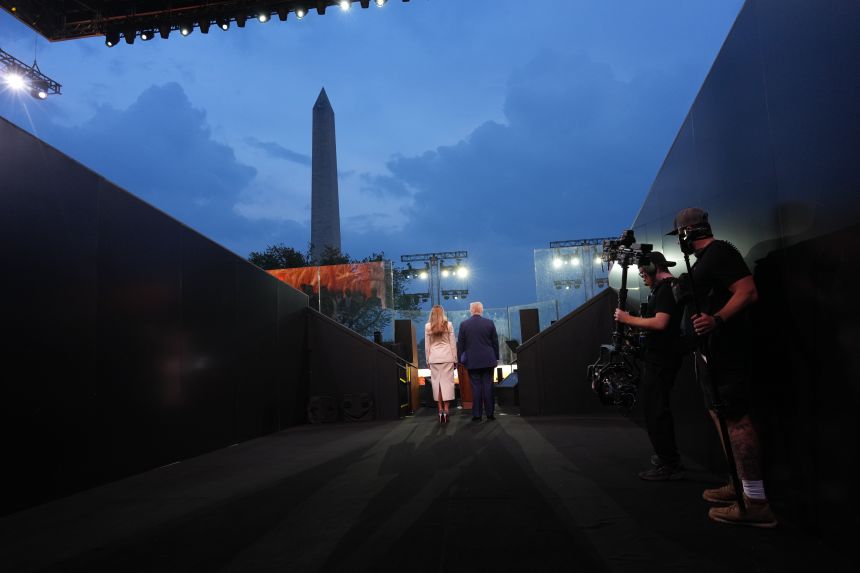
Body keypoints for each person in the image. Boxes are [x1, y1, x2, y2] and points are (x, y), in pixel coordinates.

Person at [669, 207, 777, 528]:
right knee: (719, 413)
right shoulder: (705, 261)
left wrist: (717, 320)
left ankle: (756, 501)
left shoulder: (720, 252)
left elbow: (747, 291)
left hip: (727, 351)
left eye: (680, 236)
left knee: (734, 417)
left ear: (688, 232)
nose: (680, 243)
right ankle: (741, 485)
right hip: (711, 353)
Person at [614, 251, 686, 481]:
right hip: (659, 357)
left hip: (662, 359)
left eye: (644, 272)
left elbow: (661, 322)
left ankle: (669, 463)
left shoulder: (665, 289)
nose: (642, 276)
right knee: (655, 409)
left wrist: (628, 320)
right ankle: (666, 457)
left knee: (657, 411)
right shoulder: (664, 288)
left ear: (654, 269)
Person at [457, 301, 500, 422]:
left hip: (473, 362)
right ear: (481, 310)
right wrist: (495, 357)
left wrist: (461, 360)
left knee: (476, 388)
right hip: (488, 360)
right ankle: (490, 414)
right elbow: (495, 342)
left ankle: (477, 415)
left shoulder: (464, 324)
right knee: (488, 386)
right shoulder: (489, 323)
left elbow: (461, 345)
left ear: (471, 310)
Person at [424, 305, 457, 424]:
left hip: (434, 359)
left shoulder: (428, 326)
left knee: (437, 385)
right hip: (447, 358)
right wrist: (455, 359)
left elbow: (427, 346)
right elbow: (452, 343)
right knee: (447, 384)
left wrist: (427, 360)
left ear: (432, 314)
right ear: (442, 313)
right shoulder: (449, 324)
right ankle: (447, 410)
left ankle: (440, 410)